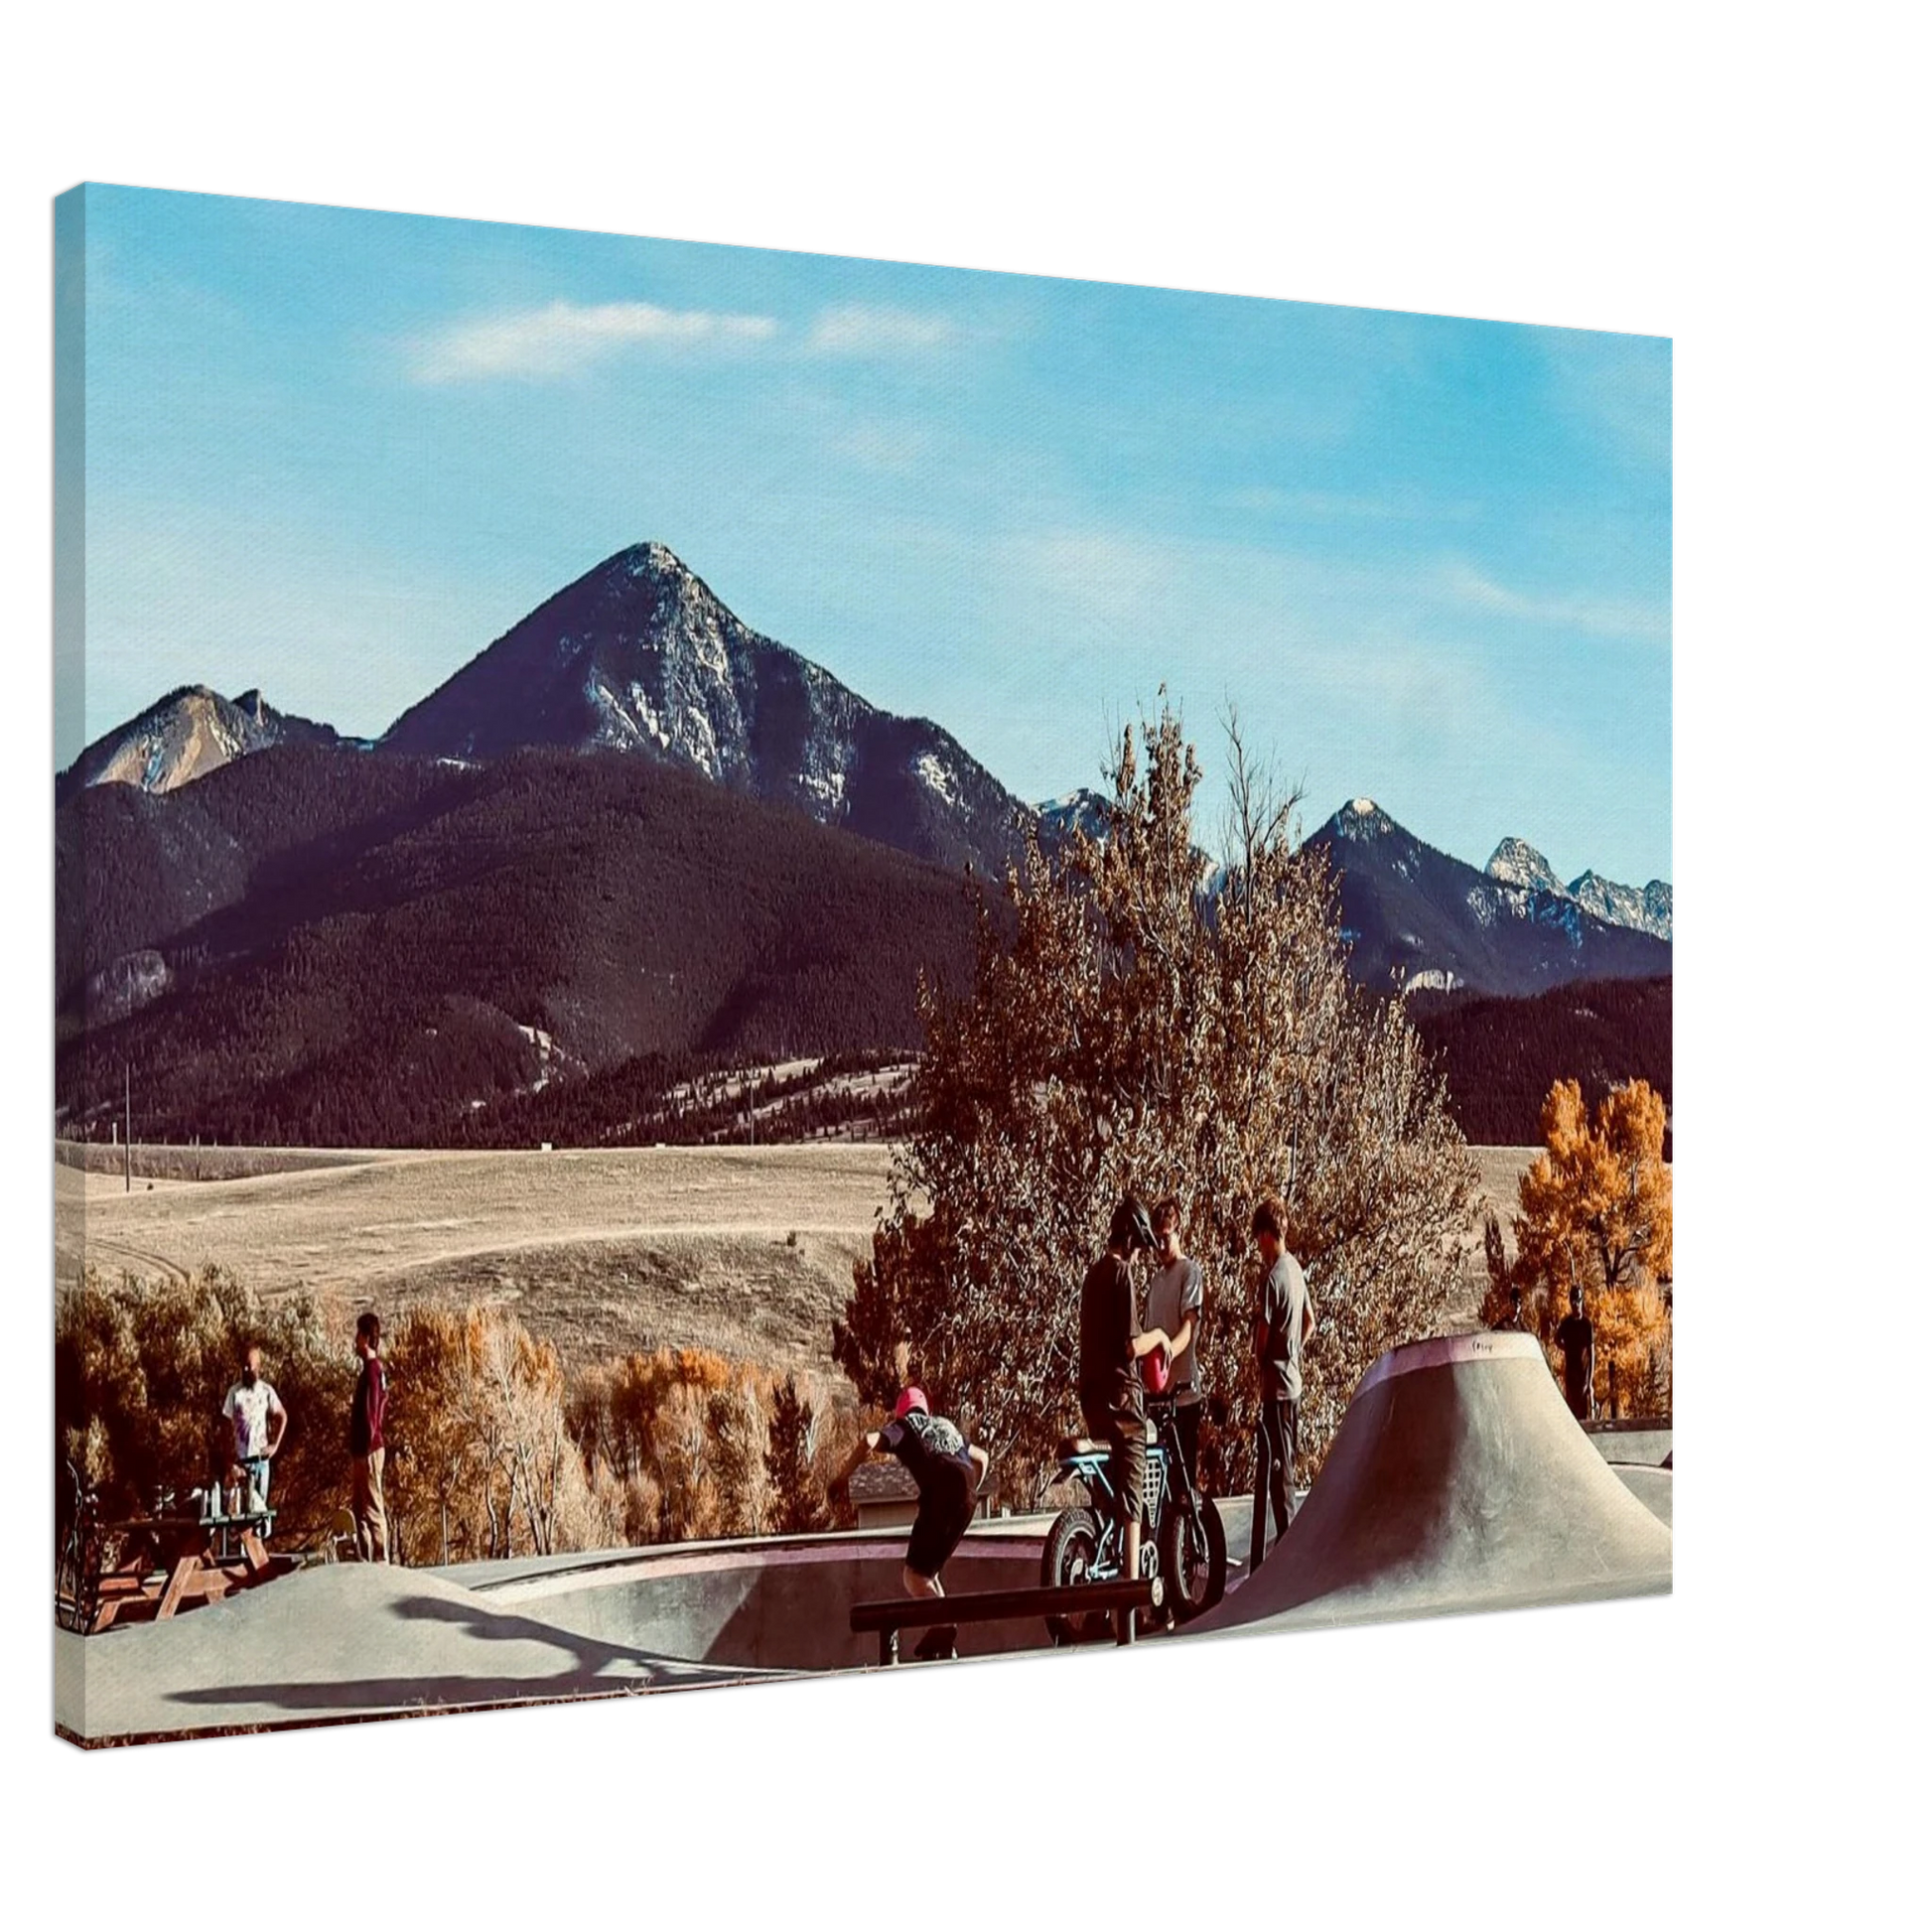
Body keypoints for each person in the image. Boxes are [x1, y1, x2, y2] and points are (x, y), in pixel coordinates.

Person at [838, 1386, 990, 1658]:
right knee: (928, 1575)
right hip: (968, 1496)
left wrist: (842, 1477)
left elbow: (868, 1440)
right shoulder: (945, 1424)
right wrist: (966, 1494)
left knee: (912, 1576)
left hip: (942, 1495)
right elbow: (982, 1457)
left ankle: (944, 1625)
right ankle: (947, 1646)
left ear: (901, 1413)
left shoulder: (904, 1427)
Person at [1079, 1195, 1171, 1603]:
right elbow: (1132, 1346)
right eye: (1139, 1244)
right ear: (1131, 1238)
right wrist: (1161, 1338)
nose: (1139, 1253)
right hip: (1122, 1399)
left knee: (1113, 1486)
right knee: (1134, 1492)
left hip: (1092, 1400)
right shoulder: (1121, 1276)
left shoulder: (1092, 1276)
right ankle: (1129, 1597)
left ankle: (1105, 1545)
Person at [1249, 1195, 1315, 1574]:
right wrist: (1295, 1351)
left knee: (1279, 1477)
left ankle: (1288, 1559)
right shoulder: (1296, 1270)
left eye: (1259, 1237)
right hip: (1294, 1385)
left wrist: (1266, 1358)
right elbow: (1309, 1320)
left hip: (1275, 1390)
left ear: (1268, 1235)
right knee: (1284, 1465)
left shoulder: (1273, 1279)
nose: (1258, 1245)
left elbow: (1261, 1338)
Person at [1145, 1195, 1205, 1494]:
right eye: (1155, 1239)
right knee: (1162, 1483)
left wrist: (1170, 1349)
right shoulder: (1156, 1282)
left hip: (1184, 1394)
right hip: (1158, 1398)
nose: (1160, 1246)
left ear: (1178, 1232)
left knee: (1184, 1484)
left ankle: (1190, 1539)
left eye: (1165, 1237)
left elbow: (1189, 1327)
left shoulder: (1189, 1272)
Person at [220, 1345, 287, 1512]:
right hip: (241, 1464)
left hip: (261, 1463)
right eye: (244, 1365)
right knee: (239, 1512)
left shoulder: (266, 1391)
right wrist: (230, 1460)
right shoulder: (234, 1393)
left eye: (250, 1365)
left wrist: (275, 1445)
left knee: (260, 1512)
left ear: (258, 1366)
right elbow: (225, 1426)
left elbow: (282, 1416)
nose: (246, 1369)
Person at [348, 1311, 389, 1564]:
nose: (355, 1341)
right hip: (362, 1450)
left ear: (365, 1337)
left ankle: (380, 1557)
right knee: (359, 1508)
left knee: (373, 1506)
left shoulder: (373, 1372)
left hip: (369, 1450)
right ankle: (364, 1558)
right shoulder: (371, 1372)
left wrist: (366, 1445)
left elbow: (372, 1414)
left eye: (358, 1335)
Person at [1556, 1284, 1595, 1422]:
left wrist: (1590, 1382)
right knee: (1571, 1417)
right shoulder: (1566, 1324)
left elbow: (1592, 1353)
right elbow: (1557, 1339)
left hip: (1583, 1378)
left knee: (1583, 1417)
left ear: (1582, 1301)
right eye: (1573, 1301)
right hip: (1570, 1377)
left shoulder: (1587, 1324)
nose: (1576, 1305)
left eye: (1578, 1301)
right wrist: (1566, 1348)